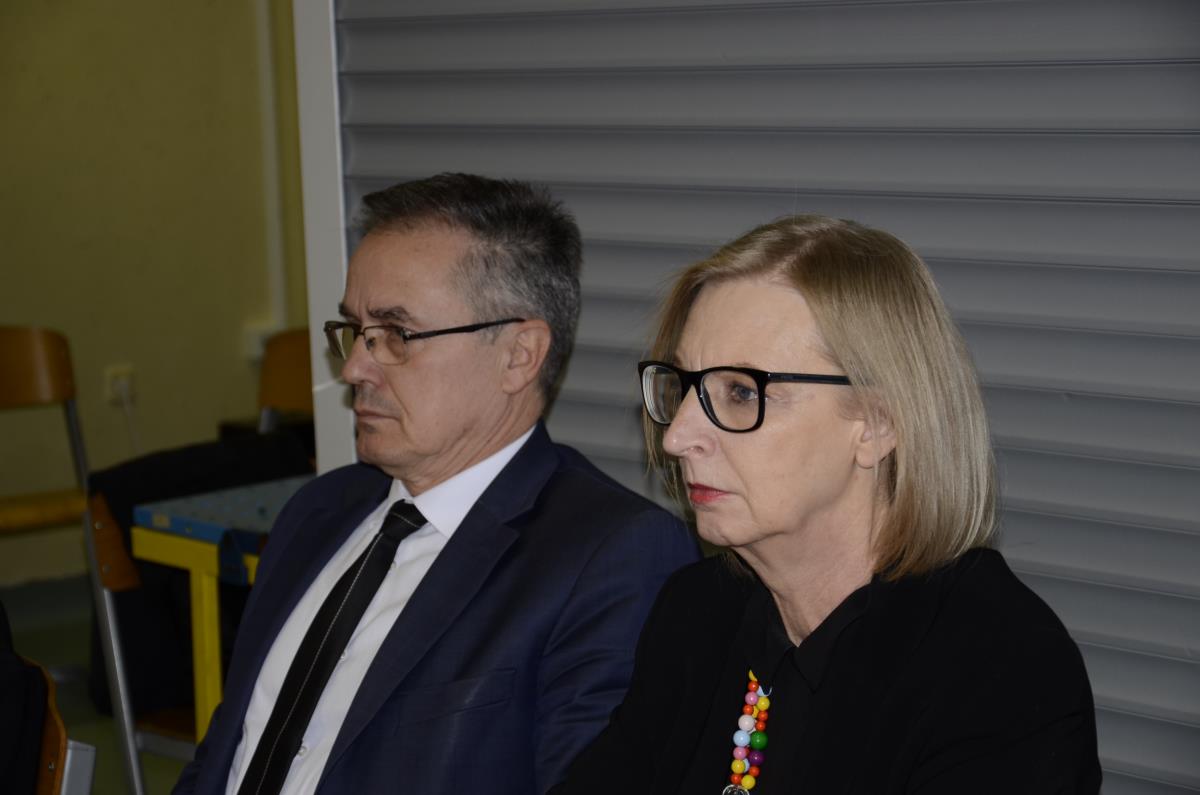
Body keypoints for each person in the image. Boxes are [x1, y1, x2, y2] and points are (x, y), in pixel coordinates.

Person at [174, 173, 698, 795]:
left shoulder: (610, 558)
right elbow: (225, 754)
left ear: (519, 355)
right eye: (355, 330)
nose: (354, 367)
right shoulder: (318, 510)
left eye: (397, 335)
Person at [554, 215, 1102, 793]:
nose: (678, 436)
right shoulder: (696, 613)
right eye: (684, 387)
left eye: (740, 392)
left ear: (876, 424)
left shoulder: (999, 669)